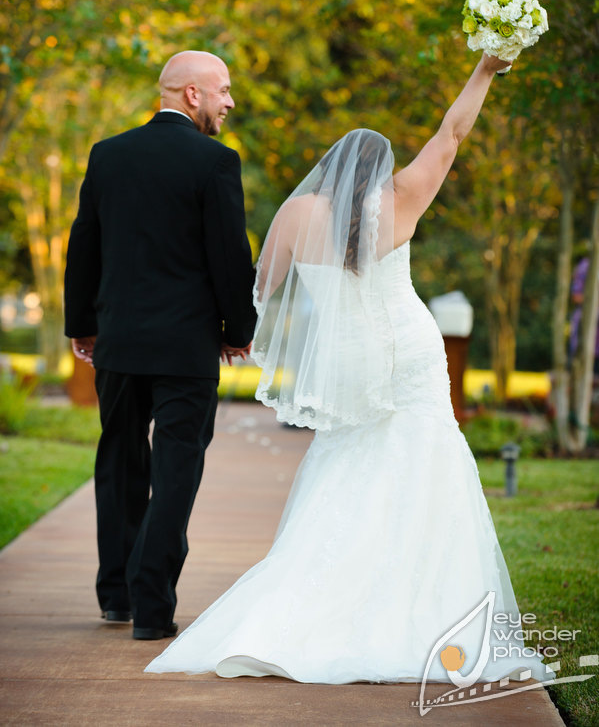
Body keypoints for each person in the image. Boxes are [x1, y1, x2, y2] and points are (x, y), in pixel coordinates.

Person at [145, 53, 552, 682]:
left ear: (329, 169)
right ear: (381, 171)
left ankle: (316, 599)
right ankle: (427, 611)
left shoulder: (297, 215)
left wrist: (225, 334)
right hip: (413, 353)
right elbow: (452, 134)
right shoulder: (403, 199)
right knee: (426, 462)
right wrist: (485, 71)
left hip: (349, 360)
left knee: (347, 465)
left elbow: (257, 290)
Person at [64, 50, 256, 640]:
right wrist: (237, 331)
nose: (229, 102)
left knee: (120, 462)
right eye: (222, 90)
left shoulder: (108, 155)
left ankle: (115, 596)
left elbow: (84, 245)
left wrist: (82, 325)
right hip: (185, 350)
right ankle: (152, 608)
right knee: (176, 471)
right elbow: (229, 256)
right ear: (192, 95)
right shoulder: (217, 162)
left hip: (119, 343)